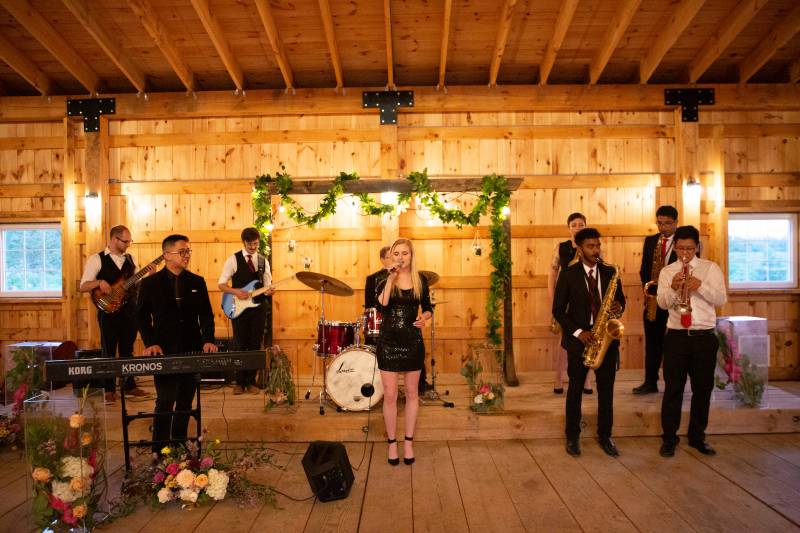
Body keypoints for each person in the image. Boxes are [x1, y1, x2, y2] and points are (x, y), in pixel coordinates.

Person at [138, 234, 217, 452]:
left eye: (188, 251)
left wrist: (208, 340)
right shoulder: (150, 283)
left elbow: (207, 315)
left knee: (185, 401)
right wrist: (150, 342)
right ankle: (159, 449)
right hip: (163, 350)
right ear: (166, 255)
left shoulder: (196, 282)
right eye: (182, 252)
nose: (187, 256)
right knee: (165, 399)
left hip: (191, 348)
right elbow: (142, 317)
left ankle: (180, 445)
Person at [553, 228, 625, 458]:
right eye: (590, 246)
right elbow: (558, 310)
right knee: (575, 389)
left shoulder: (610, 271)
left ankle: (606, 436)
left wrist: (618, 308)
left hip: (605, 338)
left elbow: (621, 300)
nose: (596, 250)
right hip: (579, 340)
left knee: (606, 391)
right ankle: (572, 436)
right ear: (579, 247)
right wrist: (577, 332)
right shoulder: (568, 273)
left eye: (597, 246)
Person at [656, 225, 726, 458]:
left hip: (704, 336)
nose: (685, 253)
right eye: (681, 248)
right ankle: (669, 439)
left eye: (689, 248)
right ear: (675, 247)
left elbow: (720, 298)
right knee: (672, 389)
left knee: (702, 390)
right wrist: (675, 287)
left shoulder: (710, 268)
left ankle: (698, 437)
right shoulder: (668, 271)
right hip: (676, 336)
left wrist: (700, 286)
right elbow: (662, 304)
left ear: (697, 247)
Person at [375, 238, 432, 466]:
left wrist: (424, 318)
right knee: (389, 395)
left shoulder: (420, 280)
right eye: (396, 253)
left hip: (412, 342)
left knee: (411, 394)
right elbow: (382, 304)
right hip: (388, 342)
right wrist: (391, 277)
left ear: (411, 255)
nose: (401, 257)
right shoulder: (384, 278)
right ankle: (391, 443)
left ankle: (408, 441)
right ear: (391, 256)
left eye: (405, 253)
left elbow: (428, 308)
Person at [79, 225, 149, 402]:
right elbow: (83, 286)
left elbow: (136, 285)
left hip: (129, 311)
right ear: (114, 239)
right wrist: (99, 282)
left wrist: (150, 277)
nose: (128, 245)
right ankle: (109, 389)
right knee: (108, 350)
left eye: (129, 241)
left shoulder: (131, 259)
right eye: (126, 241)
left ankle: (129, 385)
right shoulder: (97, 259)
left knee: (127, 349)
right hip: (107, 311)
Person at [218, 227, 274, 394]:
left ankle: (250, 382)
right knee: (240, 344)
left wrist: (270, 291)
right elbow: (221, 284)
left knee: (255, 344)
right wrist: (236, 292)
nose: (253, 247)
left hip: (258, 307)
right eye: (250, 244)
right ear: (244, 242)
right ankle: (239, 382)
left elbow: (267, 285)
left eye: (255, 244)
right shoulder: (233, 259)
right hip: (238, 307)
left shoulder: (263, 261)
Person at [634, 205, 679, 395]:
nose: (663, 227)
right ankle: (650, 382)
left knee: (674, 344)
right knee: (652, 342)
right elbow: (644, 267)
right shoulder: (651, 240)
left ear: (676, 222)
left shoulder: (684, 241)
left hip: (675, 299)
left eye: (668, 223)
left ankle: (673, 383)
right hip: (654, 298)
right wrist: (649, 289)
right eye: (660, 223)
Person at [547, 212, 593, 395]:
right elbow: (551, 275)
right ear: (569, 228)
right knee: (564, 342)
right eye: (574, 224)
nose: (578, 227)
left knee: (588, 339)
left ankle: (586, 380)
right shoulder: (560, 248)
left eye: (581, 224)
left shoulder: (591, 246)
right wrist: (553, 301)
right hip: (565, 300)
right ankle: (558, 378)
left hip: (586, 300)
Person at [363, 245, 392, 345]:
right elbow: (369, 306)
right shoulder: (372, 279)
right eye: (389, 257)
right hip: (378, 323)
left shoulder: (403, 277)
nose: (393, 260)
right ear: (382, 260)